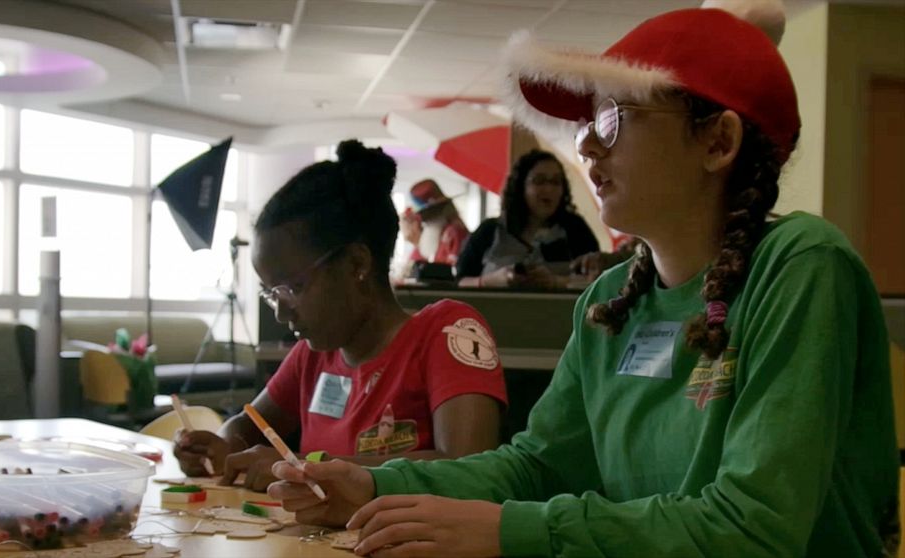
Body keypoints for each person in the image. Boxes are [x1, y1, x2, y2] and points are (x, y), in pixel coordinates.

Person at [267, 3, 900, 557]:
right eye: (586, 127)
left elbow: (755, 529)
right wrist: (374, 482)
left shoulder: (801, 265)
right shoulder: (610, 299)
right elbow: (539, 465)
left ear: (718, 142)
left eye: (613, 120)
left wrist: (508, 532)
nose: (587, 151)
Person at [174, 140, 508, 491]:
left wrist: (303, 466)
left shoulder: (446, 332)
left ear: (356, 264)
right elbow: (245, 426)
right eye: (271, 294)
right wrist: (223, 446)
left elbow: (468, 467)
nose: (281, 310)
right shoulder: (314, 356)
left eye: (292, 288)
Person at [456, 149, 599, 289]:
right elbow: (459, 282)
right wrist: (490, 281)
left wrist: (556, 282)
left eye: (556, 182)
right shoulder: (489, 231)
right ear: (521, 186)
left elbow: (598, 280)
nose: (548, 189)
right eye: (539, 181)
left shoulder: (576, 229)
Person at [399, 179, 470, 270]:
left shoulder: (453, 233)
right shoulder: (434, 235)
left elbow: (449, 273)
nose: (423, 220)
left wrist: (418, 242)